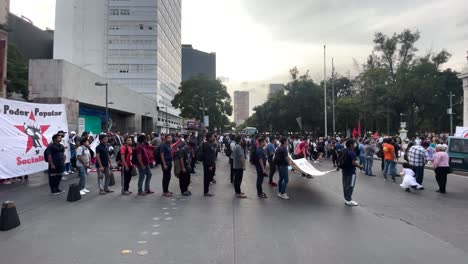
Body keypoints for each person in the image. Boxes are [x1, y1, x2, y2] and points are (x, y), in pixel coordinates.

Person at [341, 139, 363, 206]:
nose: (355, 145)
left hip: (344, 170)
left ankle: (346, 199)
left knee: (345, 185)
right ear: (351, 145)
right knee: (350, 186)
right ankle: (349, 200)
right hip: (351, 172)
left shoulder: (345, 150)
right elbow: (353, 163)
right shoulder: (352, 152)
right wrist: (360, 166)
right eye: (354, 143)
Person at [201, 132, 217, 197]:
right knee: (207, 178)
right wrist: (210, 165)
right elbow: (207, 156)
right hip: (207, 164)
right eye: (212, 136)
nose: (213, 137)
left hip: (209, 164)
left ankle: (206, 191)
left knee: (208, 178)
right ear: (209, 137)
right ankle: (206, 192)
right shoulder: (207, 145)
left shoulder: (209, 144)